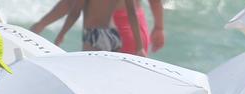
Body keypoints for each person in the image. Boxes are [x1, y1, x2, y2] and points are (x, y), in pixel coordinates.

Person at [30, 0, 164, 55]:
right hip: (136, 33)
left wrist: (41, 24)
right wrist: (159, 27)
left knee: (96, 86)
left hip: (98, 34)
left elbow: (72, 6)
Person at [55, 0, 145, 55]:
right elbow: (132, 13)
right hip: (113, 35)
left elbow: (75, 13)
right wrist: (140, 47)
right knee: (109, 77)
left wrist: (62, 33)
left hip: (95, 35)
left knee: (89, 76)